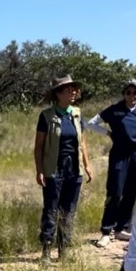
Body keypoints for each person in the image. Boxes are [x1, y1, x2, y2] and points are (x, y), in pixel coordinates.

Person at [87, 79, 136, 248]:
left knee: (131, 192)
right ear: (124, 94)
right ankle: (106, 231)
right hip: (119, 154)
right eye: (128, 92)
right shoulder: (115, 110)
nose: (132, 96)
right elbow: (92, 123)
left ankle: (122, 228)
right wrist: (108, 133)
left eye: (135, 93)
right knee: (115, 191)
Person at [34, 75, 93, 260]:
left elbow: (82, 142)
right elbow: (39, 146)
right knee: (51, 209)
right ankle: (46, 250)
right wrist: (39, 170)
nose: (73, 92)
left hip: (73, 168)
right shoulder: (46, 116)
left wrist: (87, 165)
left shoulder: (76, 113)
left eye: (74, 89)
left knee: (69, 210)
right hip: (54, 168)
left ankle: (64, 250)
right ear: (58, 94)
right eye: (68, 90)